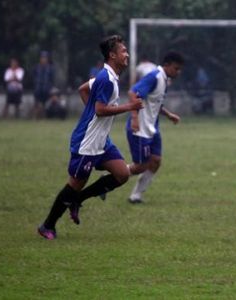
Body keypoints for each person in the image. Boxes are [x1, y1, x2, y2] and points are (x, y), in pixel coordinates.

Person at [37, 35, 143, 240]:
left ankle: (78, 200)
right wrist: (129, 107)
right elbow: (101, 110)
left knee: (122, 174)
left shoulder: (109, 77)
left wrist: (91, 114)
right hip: (87, 142)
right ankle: (47, 225)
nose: (127, 54)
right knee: (74, 185)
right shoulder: (105, 79)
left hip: (101, 140)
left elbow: (83, 89)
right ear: (112, 55)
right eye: (123, 51)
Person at [125, 51, 184, 204]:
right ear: (167, 65)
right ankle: (110, 178)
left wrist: (169, 114)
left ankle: (136, 195)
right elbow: (133, 93)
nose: (178, 72)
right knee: (140, 166)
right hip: (140, 129)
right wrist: (134, 118)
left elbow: (154, 102)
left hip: (152, 128)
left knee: (156, 161)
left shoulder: (164, 80)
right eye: (176, 68)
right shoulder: (154, 76)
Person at [31, 51, 55, 119]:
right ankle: (35, 116)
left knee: (45, 103)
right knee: (37, 102)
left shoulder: (50, 68)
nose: (43, 59)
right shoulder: (36, 67)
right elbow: (33, 76)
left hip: (46, 88)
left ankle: (44, 116)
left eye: (45, 58)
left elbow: (52, 79)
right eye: (42, 58)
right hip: (38, 88)